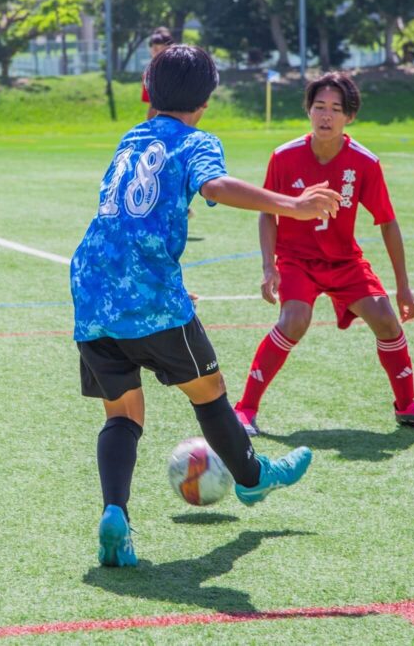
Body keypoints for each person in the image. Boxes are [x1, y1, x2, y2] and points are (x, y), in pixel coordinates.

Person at [71, 45, 343, 567]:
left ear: (151, 92)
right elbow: (214, 184)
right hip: (149, 296)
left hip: (91, 290)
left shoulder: (133, 137)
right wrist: (293, 205)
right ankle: (252, 478)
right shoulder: (197, 140)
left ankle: (115, 514)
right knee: (209, 390)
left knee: (122, 413)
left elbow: (127, 220)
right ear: (207, 99)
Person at [232, 72, 414, 437]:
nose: (326, 116)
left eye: (336, 109)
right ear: (308, 110)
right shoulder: (284, 156)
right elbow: (267, 213)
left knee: (386, 320)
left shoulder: (364, 162)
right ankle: (245, 409)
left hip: (344, 262)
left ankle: (407, 407)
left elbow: (387, 222)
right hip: (297, 260)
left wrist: (403, 286)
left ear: (349, 116)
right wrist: (268, 266)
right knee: (294, 320)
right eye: (319, 106)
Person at [141, 27, 174, 120]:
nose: (155, 50)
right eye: (153, 47)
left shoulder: (176, 68)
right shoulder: (150, 71)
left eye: (159, 47)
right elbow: (152, 105)